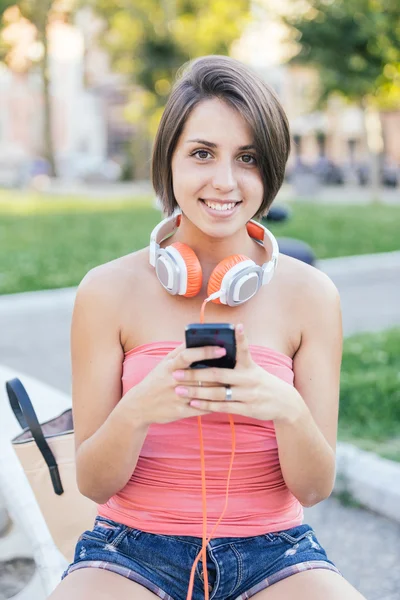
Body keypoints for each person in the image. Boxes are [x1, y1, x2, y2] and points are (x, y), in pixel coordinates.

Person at [48, 55, 366, 600]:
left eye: (247, 158)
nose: (225, 181)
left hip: (275, 549)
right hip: (131, 549)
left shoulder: (312, 295)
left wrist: (283, 407)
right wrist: (140, 407)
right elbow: (94, 484)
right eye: (201, 154)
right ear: (167, 161)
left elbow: (313, 487)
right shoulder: (106, 290)